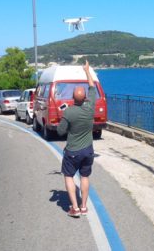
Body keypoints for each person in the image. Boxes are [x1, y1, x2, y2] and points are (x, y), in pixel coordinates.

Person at [57, 60, 96, 218]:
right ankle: (84, 206)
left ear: (73, 98)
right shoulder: (90, 108)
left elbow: (60, 132)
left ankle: (75, 207)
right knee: (85, 177)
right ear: (85, 97)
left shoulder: (69, 112)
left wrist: (63, 116)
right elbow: (92, 86)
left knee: (68, 176)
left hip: (72, 151)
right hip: (88, 150)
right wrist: (87, 71)